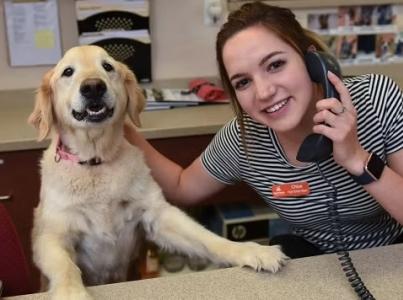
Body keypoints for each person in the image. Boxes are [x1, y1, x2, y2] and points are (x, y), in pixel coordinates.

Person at [125, 1, 403, 259]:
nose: (264, 92)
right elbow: (181, 187)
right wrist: (123, 130)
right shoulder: (243, 139)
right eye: (243, 82)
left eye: (275, 65)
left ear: (312, 62)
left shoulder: (375, 98)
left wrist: (356, 158)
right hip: (316, 265)